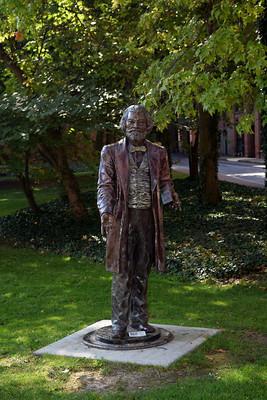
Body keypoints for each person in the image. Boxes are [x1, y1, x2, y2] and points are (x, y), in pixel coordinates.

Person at [97, 104, 181, 339]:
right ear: (124, 124)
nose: (136, 126)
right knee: (122, 270)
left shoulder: (158, 152)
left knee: (142, 271)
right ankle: (118, 324)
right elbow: (105, 184)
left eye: (141, 123)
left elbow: (165, 181)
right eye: (132, 122)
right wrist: (106, 211)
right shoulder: (110, 151)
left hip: (147, 218)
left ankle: (140, 320)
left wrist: (170, 197)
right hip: (122, 218)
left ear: (149, 126)